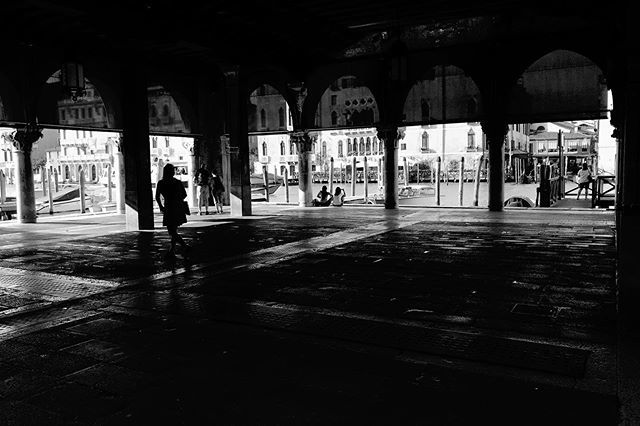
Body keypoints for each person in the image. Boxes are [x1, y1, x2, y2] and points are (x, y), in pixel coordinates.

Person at [155, 163, 189, 258]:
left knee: (172, 231)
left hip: (168, 207)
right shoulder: (177, 182)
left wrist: (161, 206)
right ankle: (172, 250)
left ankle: (184, 246)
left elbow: (157, 196)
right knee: (174, 229)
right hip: (178, 207)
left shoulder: (161, 183)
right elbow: (184, 195)